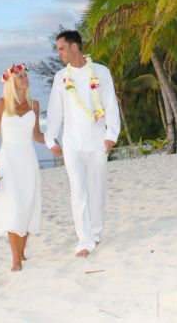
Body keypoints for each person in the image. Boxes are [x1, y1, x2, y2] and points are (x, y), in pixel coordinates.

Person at [44, 30, 121, 257]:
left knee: (97, 188)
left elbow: (110, 103)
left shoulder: (101, 71)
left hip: (97, 141)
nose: (59, 53)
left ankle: (95, 233)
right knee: (78, 191)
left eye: (61, 48)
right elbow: (55, 110)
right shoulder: (61, 77)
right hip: (72, 143)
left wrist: (111, 134)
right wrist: (50, 138)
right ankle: (84, 240)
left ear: (74, 47)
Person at [0, 63, 45, 272]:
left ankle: (22, 252)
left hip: (28, 159)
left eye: (26, 75)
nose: (25, 79)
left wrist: (53, 143)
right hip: (8, 161)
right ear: (11, 81)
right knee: (13, 206)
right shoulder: (2, 103)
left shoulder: (34, 105)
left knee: (26, 204)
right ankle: (16, 260)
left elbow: (36, 135)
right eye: (20, 76)